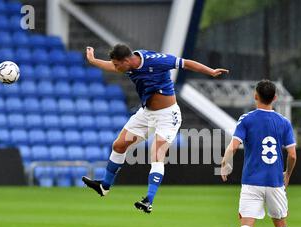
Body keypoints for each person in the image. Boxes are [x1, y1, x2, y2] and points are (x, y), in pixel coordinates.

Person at [82, 44, 229, 213]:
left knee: (156, 154)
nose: (115, 68)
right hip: (146, 114)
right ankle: (104, 186)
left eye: (117, 65)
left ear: (127, 60)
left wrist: (210, 72)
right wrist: (93, 61)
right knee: (118, 145)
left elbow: (185, 63)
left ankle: (148, 200)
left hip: (167, 116)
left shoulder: (156, 61)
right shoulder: (126, 65)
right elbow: (111, 66)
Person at [221, 80, 299, 227]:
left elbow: (233, 146)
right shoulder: (284, 122)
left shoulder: (246, 119)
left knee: (246, 224)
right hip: (275, 182)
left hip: (251, 181)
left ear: (255, 96)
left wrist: (224, 164)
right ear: (275, 98)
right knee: (281, 225)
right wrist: (287, 174)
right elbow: (292, 155)